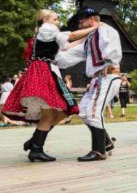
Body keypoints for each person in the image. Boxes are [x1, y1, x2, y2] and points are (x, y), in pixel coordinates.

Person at [2, 9, 94, 162]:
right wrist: (94, 28)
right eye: (55, 19)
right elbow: (70, 36)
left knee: (64, 109)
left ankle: (35, 142)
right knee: (51, 112)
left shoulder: (45, 34)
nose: (58, 22)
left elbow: (66, 45)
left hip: (44, 70)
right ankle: (36, 147)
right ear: (46, 20)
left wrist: (86, 37)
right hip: (42, 71)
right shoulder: (46, 30)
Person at [56, 7, 123, 161]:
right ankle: (105, 142)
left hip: (107, 77)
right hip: (96, 80)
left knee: (94, 111)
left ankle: (99, 151)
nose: (80, 23)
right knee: (84, 111)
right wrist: (51, 57)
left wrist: (109, 62)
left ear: (92, 19)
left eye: (82, 20)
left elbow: (112, 47)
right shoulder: (90, 38)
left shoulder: (106, 30)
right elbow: (69, 56)